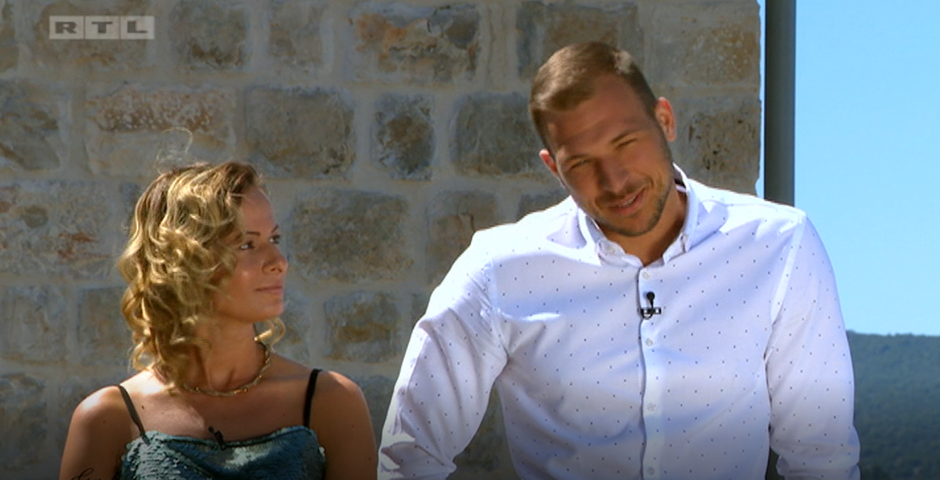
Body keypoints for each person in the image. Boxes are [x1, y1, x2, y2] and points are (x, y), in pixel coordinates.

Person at [379, 42, 860, 479]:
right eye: (581, 163)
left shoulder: (779, 245)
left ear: (665, 120)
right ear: (553, 167)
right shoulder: (498, 270)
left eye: (625, 143)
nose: (614, 181)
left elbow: (822, 457)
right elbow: (409, 456)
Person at [60, 161, 377, 480]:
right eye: (247, 244)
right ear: (185, 263)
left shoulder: (331, 401)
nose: (279, 262)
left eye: (275, 239)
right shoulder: (108, 419)